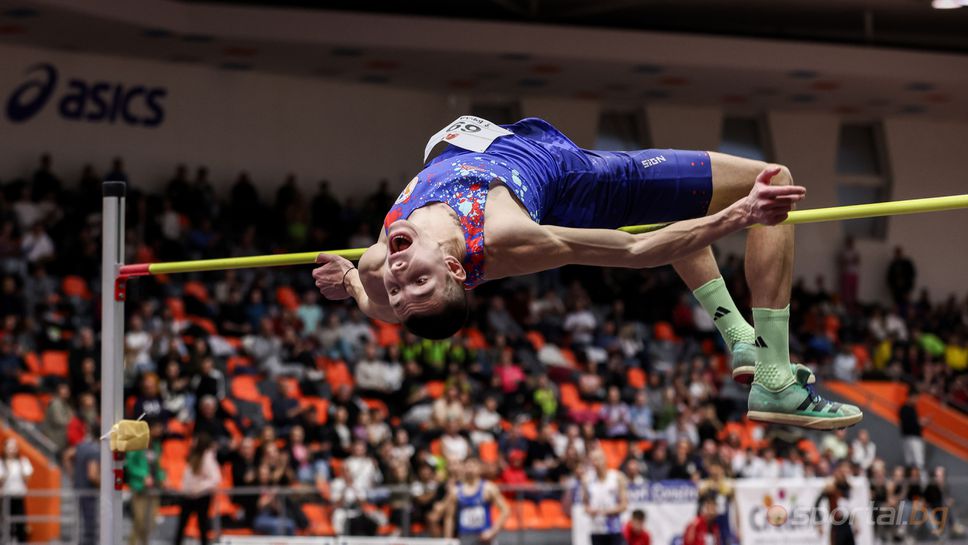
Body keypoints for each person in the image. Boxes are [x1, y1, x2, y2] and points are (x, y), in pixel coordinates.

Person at [313, 115, 860, 430]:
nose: (402, 272)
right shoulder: (504, 234)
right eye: (420, 283)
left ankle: (740, 338)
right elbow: (636, 252)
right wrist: (737, 216)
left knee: (671, 201)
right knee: (768, 177)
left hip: (513, 142)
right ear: (454, 266)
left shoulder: (378, 265)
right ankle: (773, 376)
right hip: (572, 179)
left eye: (401, 284)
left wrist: (353, 283)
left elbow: (375, 305)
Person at [443, 457, 510, 545]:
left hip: (484, 537)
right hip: (465, 537)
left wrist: (492, 531)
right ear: (463, 468)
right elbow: (449, 517)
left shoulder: (488, 488)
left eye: (473, 465)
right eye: (467, 465)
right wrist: (448, 539)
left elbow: (505, 510)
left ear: (480, 468)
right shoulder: (456, 491)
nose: (470, 468)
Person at [174, 433, 221, 545]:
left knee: (202, 526)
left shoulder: (207, 456)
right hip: (187, 496)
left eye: (195, 439)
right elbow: (188, 476)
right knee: (181, 525)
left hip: (201, 497)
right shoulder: (193, 455)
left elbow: (215, 478)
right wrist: (185, 488)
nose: (192, 441)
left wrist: (199, 487)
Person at [125, 420, 165, 545]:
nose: (160, 430)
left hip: (154, 489)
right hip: (140, 489)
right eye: (157, 427)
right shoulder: (137, 444)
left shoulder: (157, 445)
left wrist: (161, 477)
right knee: (140, 521)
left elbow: (157, 466)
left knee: (150, 522)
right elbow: (130, 465)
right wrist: (143, 476)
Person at [583, 449, 628, 545]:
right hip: (596, 529)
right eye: (592, 460)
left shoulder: (617, 477)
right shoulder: (588, 480)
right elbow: (585, 504)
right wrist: (590, 510)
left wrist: (605, 511)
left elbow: (624, 505)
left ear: (604, 459)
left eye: (597, 459)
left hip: (613, 529)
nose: (595, 463)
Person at [0, 438, 34, 543]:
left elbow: (27, 477)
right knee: (6, 523)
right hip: (5, 497)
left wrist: (19, 467)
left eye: (14, 448)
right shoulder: (1, 462)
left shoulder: (23, 461)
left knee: (20, 523)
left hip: (19, 496)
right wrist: (7, 468)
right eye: (9, 448)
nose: (11, 451)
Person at [73, 424, 100, 545]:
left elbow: (67, 454)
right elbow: (92, 475)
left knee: (80, 522)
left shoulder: (82, 446)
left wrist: (71, 474)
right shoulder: (95, 450)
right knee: (90, 524)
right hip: (89, 491)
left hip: (79, 487)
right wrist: (104, 485)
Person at [899, 391, 929, 470]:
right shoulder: (904, 408)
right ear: (911, 397)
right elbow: (906, 424)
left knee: (919, 461)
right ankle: (910, 479)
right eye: (915, 398)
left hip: (916, 437)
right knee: (909, 461)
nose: (916, 400)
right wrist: (918, 423)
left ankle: (922, 480)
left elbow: (916, 425)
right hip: (908, 437)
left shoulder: (914, 408)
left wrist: (921, 424)